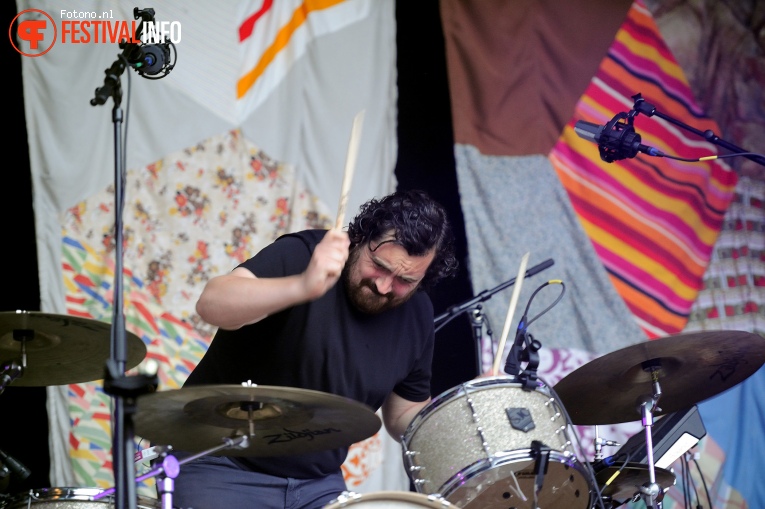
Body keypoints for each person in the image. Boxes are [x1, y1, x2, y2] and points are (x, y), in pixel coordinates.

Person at [172, 189, 458, 509]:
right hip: (219, 464)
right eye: (378, 266)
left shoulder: (417, 315)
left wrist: (464, 413)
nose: (384, 286)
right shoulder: (304, 254)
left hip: (317, 484)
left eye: (405, 279)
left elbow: (403, 415)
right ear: (359, 238)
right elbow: (212, 305)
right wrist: (303, 286)